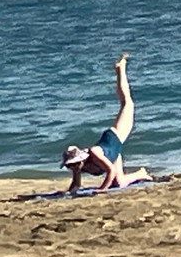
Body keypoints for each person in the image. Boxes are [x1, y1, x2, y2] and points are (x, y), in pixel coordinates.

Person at [60, 53, 152, 193]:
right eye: (69, 166)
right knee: (120, 183)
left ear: (80, 160)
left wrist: (101, 189)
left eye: (73, 164)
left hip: (115, 137)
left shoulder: (94, 153)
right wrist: (69, 193)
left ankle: (121, 69)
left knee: (127, 103)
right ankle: (141, 173)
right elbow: (76, 185)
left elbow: (110, 171)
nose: (72, 168)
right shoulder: (78, 168)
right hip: (113, 154)